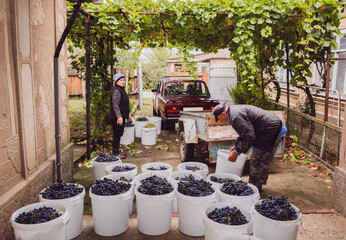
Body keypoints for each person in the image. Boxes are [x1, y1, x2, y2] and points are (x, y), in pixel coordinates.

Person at [212, 103, 287, 191]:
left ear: (223, 114)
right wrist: (236, 146)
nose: (220, 121)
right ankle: (252, 186)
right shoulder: (232, 113)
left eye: (219, 119)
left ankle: (256, 188)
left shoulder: (235, 116)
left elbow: (249, 136)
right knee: (255, 160)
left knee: (262, 161)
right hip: (262, 131)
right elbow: (244, 132)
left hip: (272, 130)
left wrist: (237, 152)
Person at [109, 73, 131, 159]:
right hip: (116, 117)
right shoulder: (116, 91)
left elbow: (125, 104)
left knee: (119, 134)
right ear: (116, 81)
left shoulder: (122, 89)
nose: (123, 82)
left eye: (124, 80)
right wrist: (119, 117)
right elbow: (115, 105)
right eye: (121, 80)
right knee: (116, 134)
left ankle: (117, 151)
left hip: (122, 116)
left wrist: (128, 115)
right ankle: (115, 153)